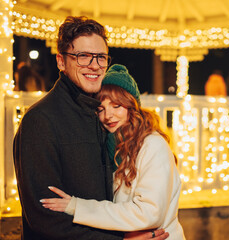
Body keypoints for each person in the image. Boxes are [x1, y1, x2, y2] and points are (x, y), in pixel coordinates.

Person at [13, 16, 168, 240]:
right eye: (83, 56)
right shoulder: (40, 120)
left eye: (101, 57)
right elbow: (44, 219)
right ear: (61, 61)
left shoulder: (102, 116)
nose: (94, 65)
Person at [40, 64, 186, 239]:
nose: (107, 115)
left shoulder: (152, 145)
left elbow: (148, 213)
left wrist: (77, 206)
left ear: (132, 106)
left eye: (116, 106)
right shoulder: (114, 146)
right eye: (101, 109)